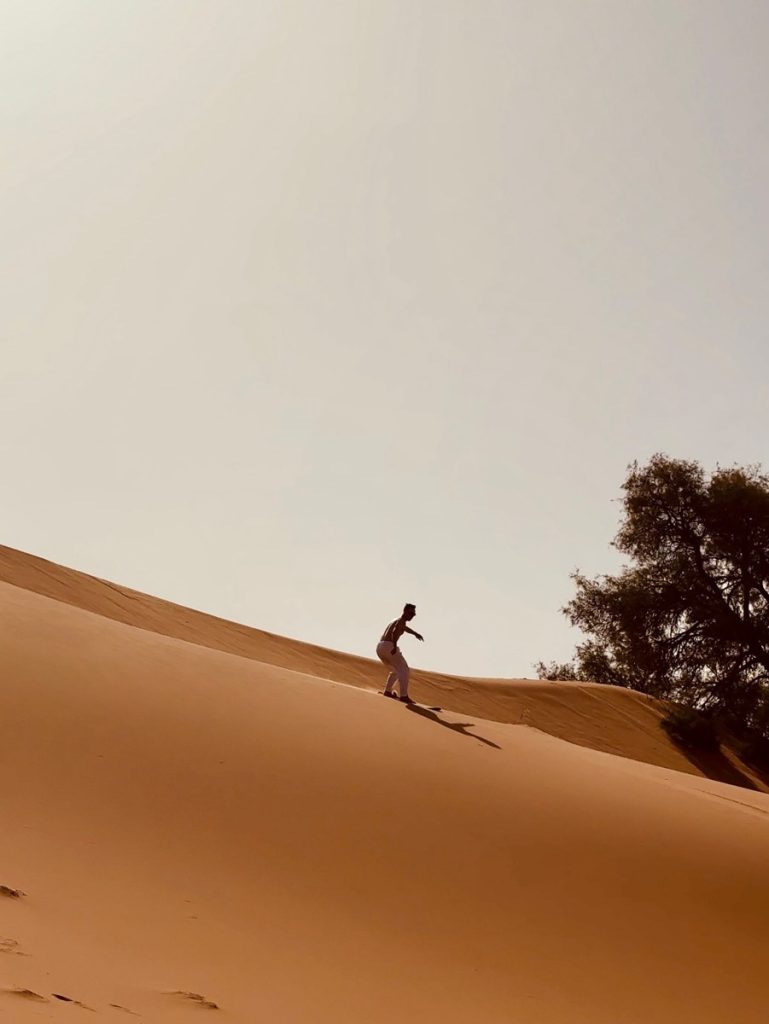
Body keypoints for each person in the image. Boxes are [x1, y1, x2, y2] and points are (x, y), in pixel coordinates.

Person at [376, 603, 423, 703]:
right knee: (404, 669)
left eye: (414, 614)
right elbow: (395, 631)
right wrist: (394, 645)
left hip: (380, 647)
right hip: (389, 646)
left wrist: (415, 633)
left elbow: (403, 628)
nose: (412, 616)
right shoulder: (400, 621)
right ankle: (404, 696)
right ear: (405, 611)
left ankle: (388, 691)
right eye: (411, 613)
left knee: (395, 670)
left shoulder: (395, 620)